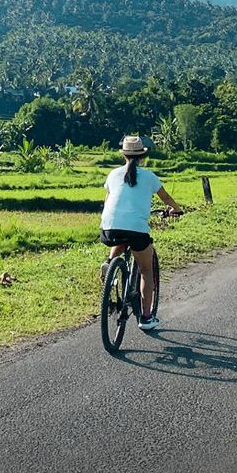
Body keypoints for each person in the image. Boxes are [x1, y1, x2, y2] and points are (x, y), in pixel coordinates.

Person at [100, 134, 182, 330]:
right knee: (146, 270)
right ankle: (146, 318)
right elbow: (166, 198)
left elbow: (109, 199)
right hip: (136, 229)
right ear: (142, 157)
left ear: (124, 156)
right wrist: (176, 210)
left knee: (121, 235)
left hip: (109, 227)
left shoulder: (112, 174)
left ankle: (110, 263)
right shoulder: (149, 177)